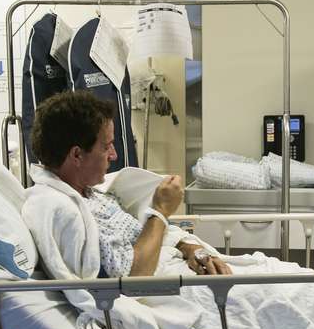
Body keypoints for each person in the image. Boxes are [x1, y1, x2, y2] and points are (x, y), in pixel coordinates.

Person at [26, 91, 233, 279]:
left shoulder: (91, 193)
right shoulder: (67, 212)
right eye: (106, 146)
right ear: (77, 155)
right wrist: (160, 210)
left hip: (184, 266)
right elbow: (134, 277)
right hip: (169, 285)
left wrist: (193, 250)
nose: (114, 155)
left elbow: (149, 234)